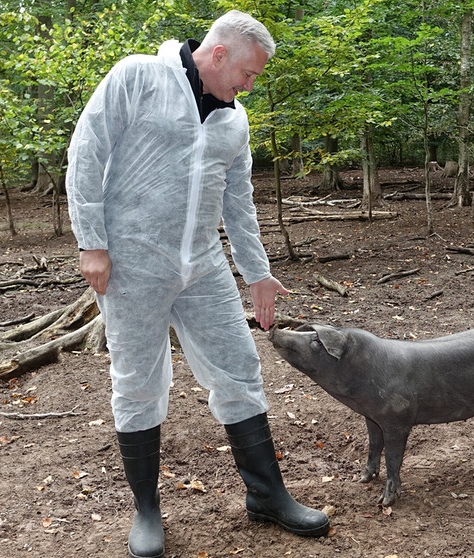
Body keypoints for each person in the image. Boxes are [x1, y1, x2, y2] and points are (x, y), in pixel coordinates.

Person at [65, 10, 329, 558]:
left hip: (202, 266)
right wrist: (91, 241)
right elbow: (86, 151)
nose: (250, 85)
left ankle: (266, 494)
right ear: (219, 54)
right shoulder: (138, 76)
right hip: (131, 263)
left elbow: (238, 203)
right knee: (137, 381)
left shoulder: (235, 121)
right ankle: (146, 510)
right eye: (249, 73)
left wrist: (257, 273)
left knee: (239, 366)